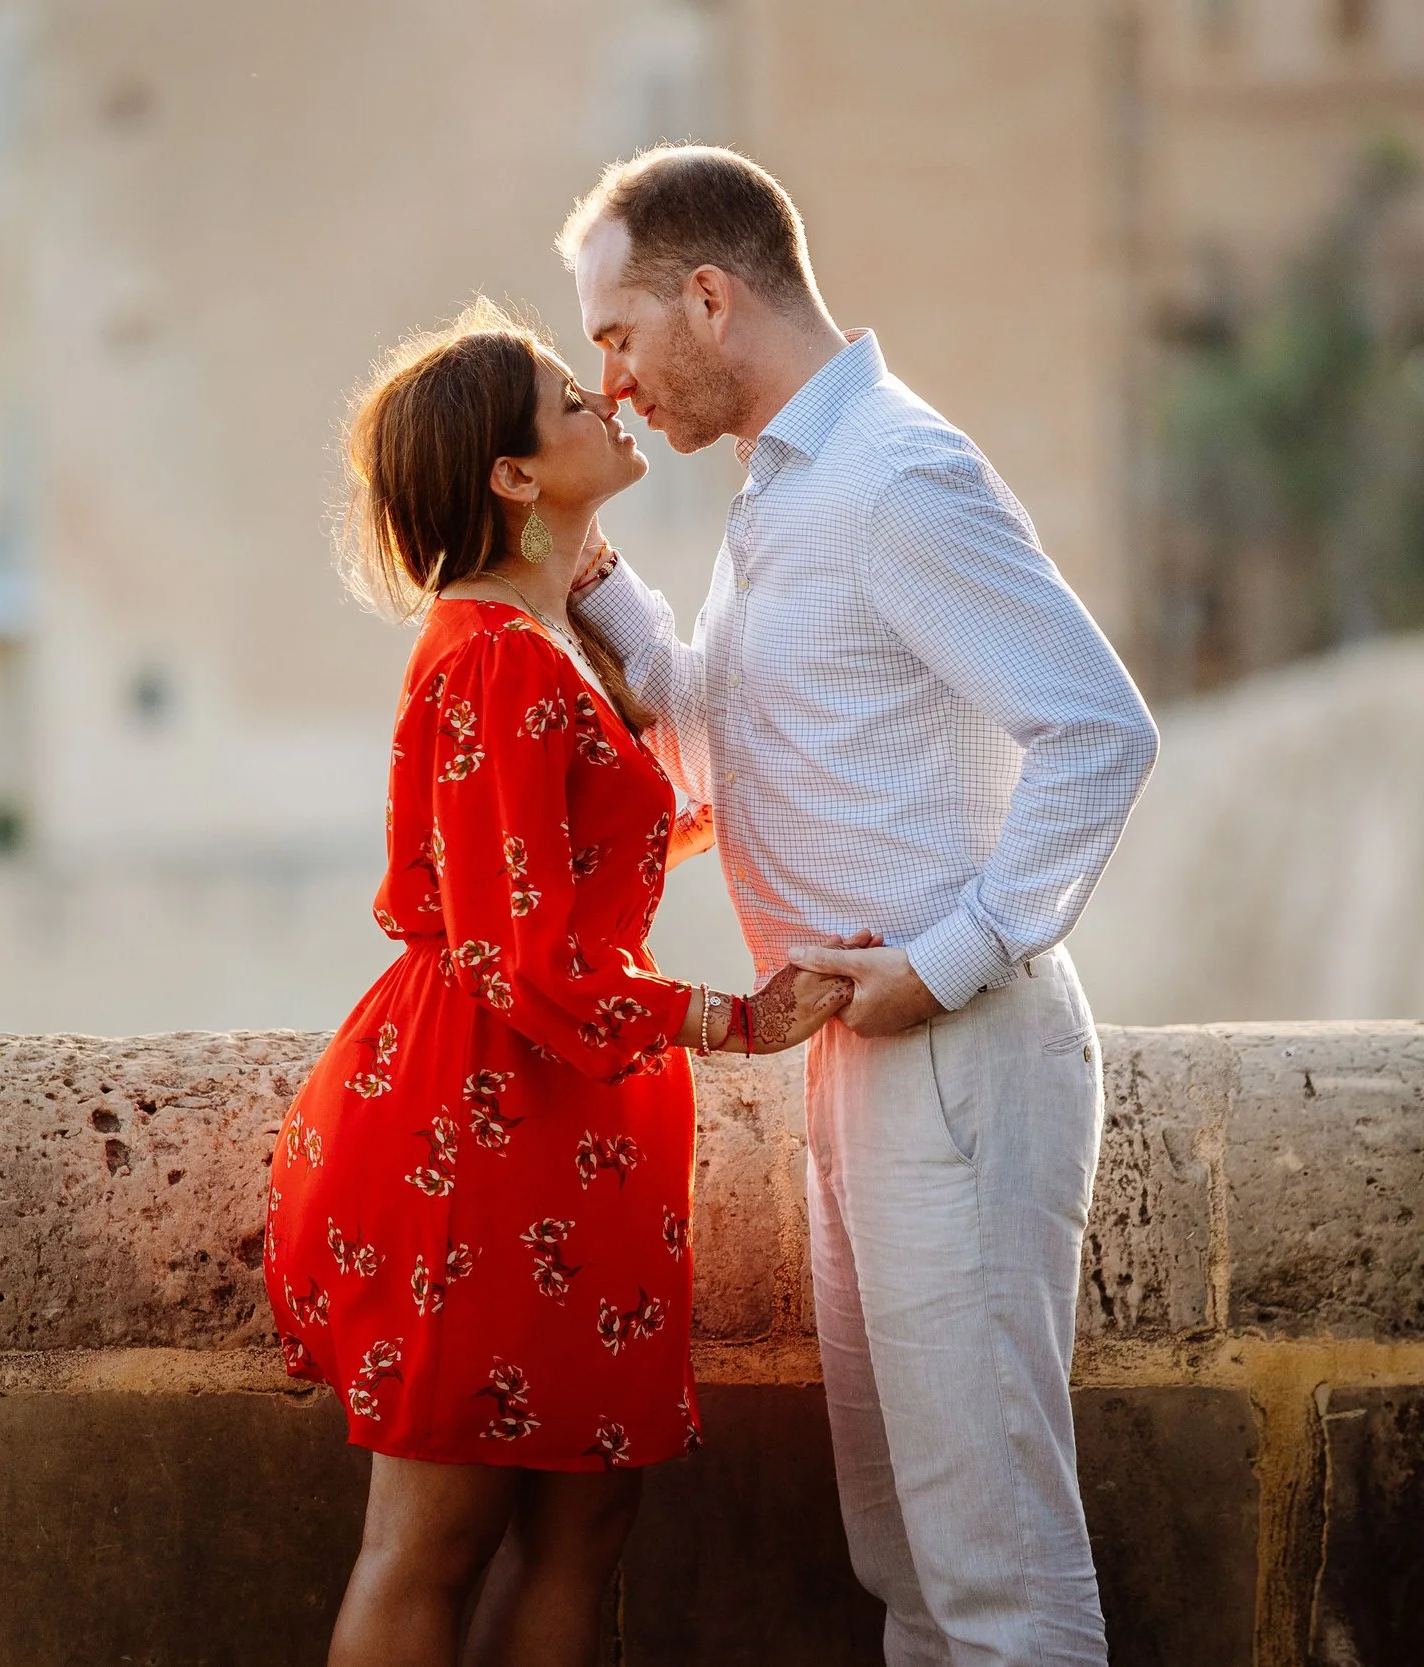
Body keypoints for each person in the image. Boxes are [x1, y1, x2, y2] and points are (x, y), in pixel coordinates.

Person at [558, 146, 1160, 1666]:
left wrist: (947, 962)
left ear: (710, 296)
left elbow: (1100, 728)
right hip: (872, 1064)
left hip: (953, 1056)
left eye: (617, 337)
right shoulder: (790, 490)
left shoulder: (895, 474)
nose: (609, 383)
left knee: (994, 1572)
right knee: (905, 1561)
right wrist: (597, 586)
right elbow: (733, 749)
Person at [263, 300, 850, 1667]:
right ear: (513, 477)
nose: (609, 400)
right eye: (568, 404)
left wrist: (606, 596)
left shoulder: (530, 647)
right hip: (488, 1119)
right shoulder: (491, 662)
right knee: (436, 1533)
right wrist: (730, 1019)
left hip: (559, 1118)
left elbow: (636, 830)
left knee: (589, 1526)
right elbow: (517, 955)